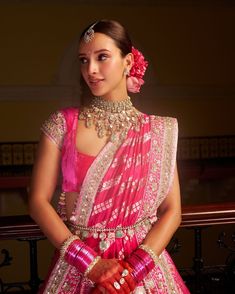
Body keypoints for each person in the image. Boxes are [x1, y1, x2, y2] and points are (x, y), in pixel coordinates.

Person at [29, 19, 190, 294]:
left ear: (128, 62)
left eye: (102, 57)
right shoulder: (62, 124)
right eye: (83, 60)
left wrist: (133, 271)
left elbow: (172, 211)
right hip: (80, 266)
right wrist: (92, 265)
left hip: (144, 268)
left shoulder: (157, 130)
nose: (90, 69)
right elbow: (37, 201)